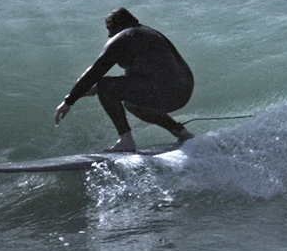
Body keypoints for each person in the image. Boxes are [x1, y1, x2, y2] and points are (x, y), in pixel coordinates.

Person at [54, 8, 195, 152]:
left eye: (110, 29)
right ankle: (182, 133)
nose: (109, 35)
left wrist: (68, 102)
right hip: (183, 92)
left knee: (105, 85)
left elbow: (95, 72)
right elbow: (145, 76)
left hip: (165, 91)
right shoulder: (147, 33)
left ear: (119, 26)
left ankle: (126, 141)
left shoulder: (124, 37)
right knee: (131, 103)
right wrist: (91, 90)